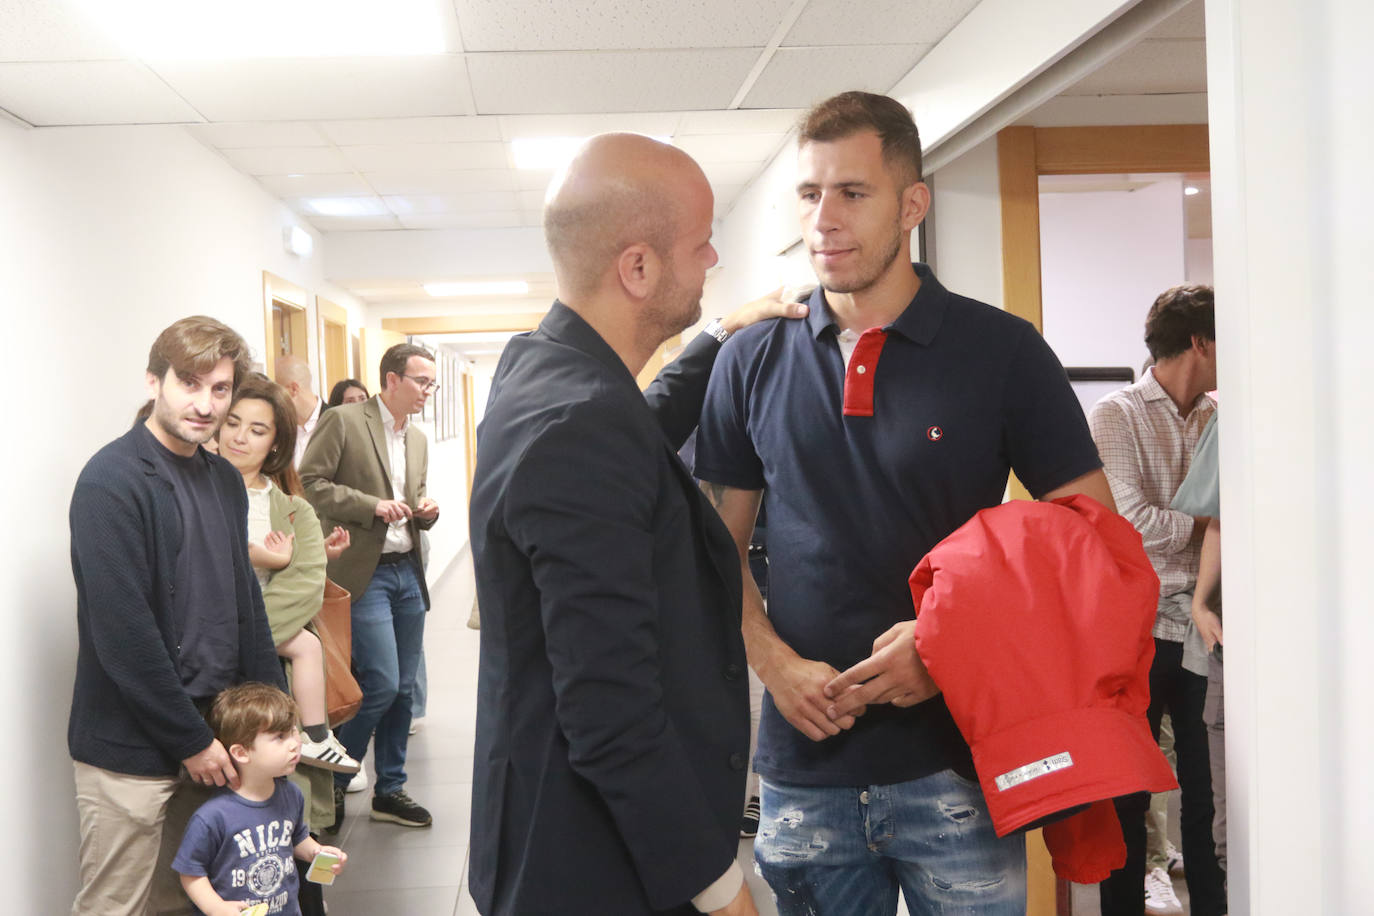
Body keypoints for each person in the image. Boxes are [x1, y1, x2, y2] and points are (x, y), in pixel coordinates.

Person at [693, 91, 1114, 915]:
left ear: (911, 205)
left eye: (854, 192)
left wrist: (949, 643)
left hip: (959, 761)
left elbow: (1090, 534)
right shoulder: (751, 358)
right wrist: (770, 661)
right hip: (804, 768)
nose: (825, 218)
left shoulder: (1002, 351)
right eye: (811, 194)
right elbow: (716, 544)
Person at [469, 132, 807, 916]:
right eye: (701, 244)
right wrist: (723, 890)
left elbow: (632, 436)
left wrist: (718, 337)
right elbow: (609, 713)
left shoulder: (541, 370)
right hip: (590, 865)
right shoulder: (579, 424)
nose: (714, 259)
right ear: (639, 267)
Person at [68, 316, 286, 915]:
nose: (205, 404)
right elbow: (123, 633)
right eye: (189, 384)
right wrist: (189, 739)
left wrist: (273, 717)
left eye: (220, 389)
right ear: (153, 381)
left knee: (199, 899)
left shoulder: (222, 478)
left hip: (219, 735)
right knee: (118, 904)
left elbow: (245, 605)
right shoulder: (110, 481)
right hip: (134, 747)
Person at [1088, 283, 1226, 916]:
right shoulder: (1115, 414)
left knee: (1209, 795)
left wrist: (1202, 522)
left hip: (1206, 627)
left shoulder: (1222, 416)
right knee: (1126, 795)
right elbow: (1130, 521)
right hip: (1133, 630)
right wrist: (1210, 521)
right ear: (1200, 342)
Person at [299, 344, 440, 831]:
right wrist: (371, 506)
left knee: (404, 689)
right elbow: (310, 482)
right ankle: (337, 777)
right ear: (391, 380)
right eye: (422, 381)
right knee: (380, 681)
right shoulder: (344, 421)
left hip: (407, 569)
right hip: (365, 572)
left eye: (432, 383)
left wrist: (426, 511)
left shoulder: (417, 439)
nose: (427, 391)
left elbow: (412, 497)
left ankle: (390, 789)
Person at [219, 376, 358, 776]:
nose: (239, 437)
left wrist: (236, 639)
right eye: (232, 422)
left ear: (276, 442)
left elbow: (304, 589)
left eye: (256, 429)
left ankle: (316, 736)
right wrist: (271, 559)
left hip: (258, 655)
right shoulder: (192, 492)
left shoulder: (295, 511)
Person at [173, 682, 347, 916]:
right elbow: (191, 872)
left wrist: (316, 852)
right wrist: (216, 908)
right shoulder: (212, 816)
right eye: (279, 737)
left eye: (294, 731)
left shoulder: (291, 794)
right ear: (241, 753)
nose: (295, 743)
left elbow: (296, 839)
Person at [274, 355, 326, 467]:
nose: (271, 397)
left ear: (293, 389)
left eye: (274, 390)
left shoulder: (338, 423)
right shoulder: (275, 428)